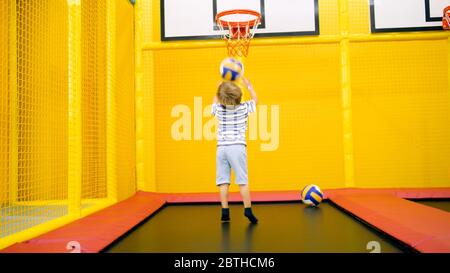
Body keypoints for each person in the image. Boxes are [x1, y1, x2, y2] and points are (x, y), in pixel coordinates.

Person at [211, 76, 258, 223]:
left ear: (221, 98)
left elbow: (214, 101)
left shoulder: (218, 109)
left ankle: (225, 212)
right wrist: (249, 86)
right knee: (242, 181)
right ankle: (248, 209)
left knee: (223, 181)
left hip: (221, 149)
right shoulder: (244, 107)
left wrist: (218, 88)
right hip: (237, 148)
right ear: (239, 96)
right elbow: (256, 100)